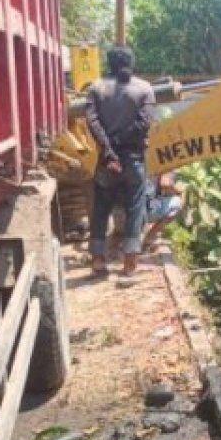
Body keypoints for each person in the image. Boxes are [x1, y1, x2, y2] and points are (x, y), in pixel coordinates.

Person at [85, 46, 155, 275]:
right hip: (133, 159)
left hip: (107, 160)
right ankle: (130, 262)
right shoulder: (144, 89)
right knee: (135, 207)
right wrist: (120, 141)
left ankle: (97, 259)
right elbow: (144, 123)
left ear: (109, 64)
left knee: (101, 207)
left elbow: (92, 122)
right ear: (131, 63)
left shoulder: (96, 88)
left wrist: (109, 149)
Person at [141, 106, 184, 252]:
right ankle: (150, 237)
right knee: (179, 201)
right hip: (143, 212)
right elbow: (165, 183)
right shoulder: (166, 152)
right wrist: (180, 191)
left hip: (119, 211)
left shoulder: (137, 147)